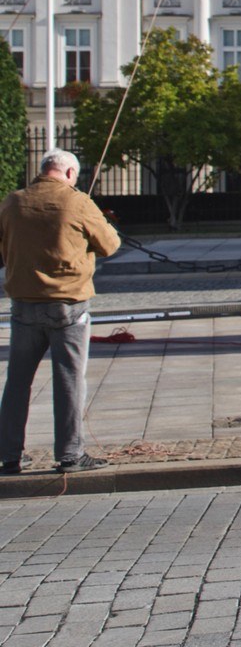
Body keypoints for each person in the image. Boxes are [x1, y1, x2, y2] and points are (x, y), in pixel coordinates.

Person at [0, 149, 120, 474]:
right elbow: (110, 244)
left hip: (23, 304)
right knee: (68, 378)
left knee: (17, 382)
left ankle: (8, 455)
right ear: (69, 174)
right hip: (67, 305)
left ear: (43, 170)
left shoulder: (12, 201)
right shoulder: (77, 201)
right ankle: (70, 454)